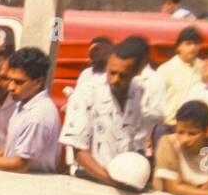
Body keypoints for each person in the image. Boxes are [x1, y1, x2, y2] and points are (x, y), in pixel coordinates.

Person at [60, 38, 152, 187]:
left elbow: (138, 144)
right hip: (88, 180)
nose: (115, 79)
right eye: (112, 73)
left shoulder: (139, 92)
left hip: (125, 184)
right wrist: (111, 181)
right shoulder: (86, 92)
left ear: (136, 72)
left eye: (123, 75)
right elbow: (78, 148)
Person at [153, 100, 208, 195]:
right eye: (180, 132)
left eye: (192, 133)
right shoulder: (168, 143)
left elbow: (207, 187)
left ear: (207, 131)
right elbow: (174, 188)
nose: (184, 139)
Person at [158, 26, 204, 135]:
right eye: (188, 44)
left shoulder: (204, 68)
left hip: (192, 130)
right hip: (167, 126)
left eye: (196, 44)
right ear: (179, 47)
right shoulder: (165, 69)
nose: (193, 47)